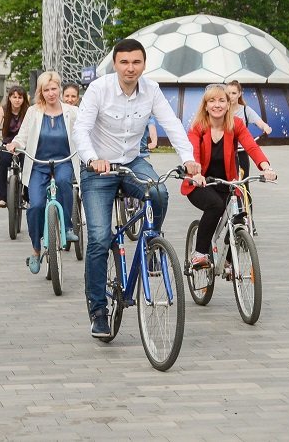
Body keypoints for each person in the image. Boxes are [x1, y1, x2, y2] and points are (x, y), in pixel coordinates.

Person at [72, 38, 201, 338]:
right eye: (124, 62)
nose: (130, 68)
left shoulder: (152, 90)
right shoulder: (99, 89)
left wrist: (189, 159)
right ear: (115, 64)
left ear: (144, 64)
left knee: (159, 191)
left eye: (136, 62)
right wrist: (92, 159)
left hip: (132, 162)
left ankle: (151, 243)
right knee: (100, 238)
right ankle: (98, 311)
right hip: (99, 168)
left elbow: (172, 124)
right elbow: (81, 129)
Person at [181, 84, 276, 269]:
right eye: (212, 101)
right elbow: (193, 154)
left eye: (221, 100)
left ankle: (229, 262)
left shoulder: (236, 125)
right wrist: (197, 174)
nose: (217, 105)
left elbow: (251, 147)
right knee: (215, 206)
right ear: (205, 105)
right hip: (200, 184)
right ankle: (200, 253)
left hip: (227, 183)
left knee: (241, 217)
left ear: (228, 104)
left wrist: (266, 167)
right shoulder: (198, 127)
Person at [3, 71, 80, 274]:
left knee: (64, 182)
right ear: (41, 92)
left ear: (60, 89)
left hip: (63, 161)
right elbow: (23, 135)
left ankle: (68, 227)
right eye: (46, 90)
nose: (51, 93)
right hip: (38, 164)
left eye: (54, 88)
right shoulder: (34, 112)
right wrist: (15, 144)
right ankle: (36, 251)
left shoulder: (72, 112)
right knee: (35, 206)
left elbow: (83, 133)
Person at [0, 86, 30, 208]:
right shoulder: (3, 110)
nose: (17, 100)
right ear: (9, 98)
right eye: (14, 97)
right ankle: (3, 198)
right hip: (7, 144)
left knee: (28, 168)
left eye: (20, 97)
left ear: (24, 99)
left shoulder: (29, 110)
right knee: (3, 164)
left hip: (24, 145)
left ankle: (27, 197)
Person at [225, 80, 272, 182]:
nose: (231, 96)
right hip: (225, 151)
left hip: (242, 150)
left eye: (234, 93)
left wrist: (265, 127)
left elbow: (259, 121)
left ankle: (246, 197)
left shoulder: (246, 110)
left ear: (239, 94)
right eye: (228, 93)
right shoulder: (222, 110)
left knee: (244, 181)